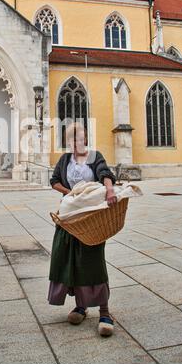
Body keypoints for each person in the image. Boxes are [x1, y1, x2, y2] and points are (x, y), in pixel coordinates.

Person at [48, 122, 117, 337]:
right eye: (71, 139)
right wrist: (70, 193)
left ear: (85, 139)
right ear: (68, 142)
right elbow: (54, 181)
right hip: (69, 216)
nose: (76, 142)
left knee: (93, 259)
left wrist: (109, 189)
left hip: (91, 217)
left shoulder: (95, 156)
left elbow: (105, 173)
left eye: (79, 138)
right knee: (68, 259)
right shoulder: (64, 159)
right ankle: (81, 306)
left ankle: (105, 312)